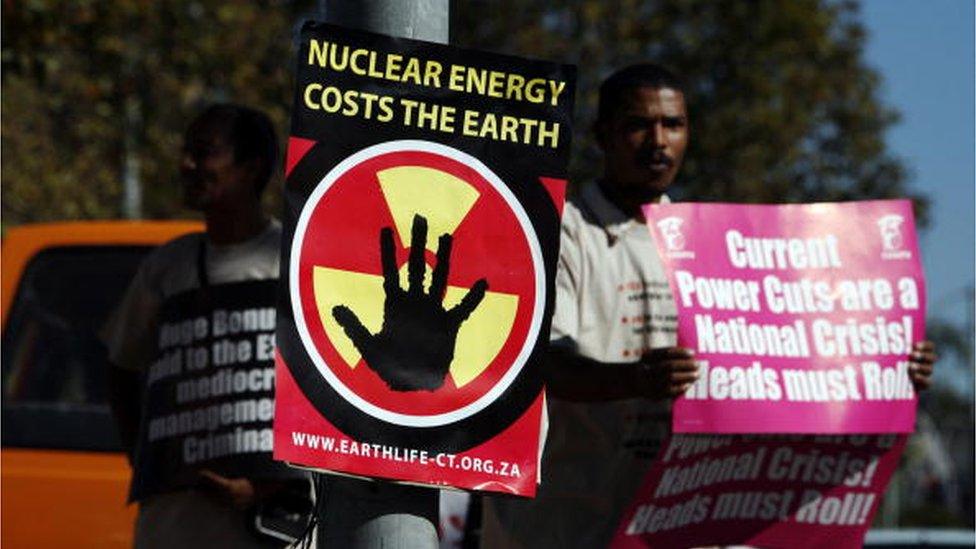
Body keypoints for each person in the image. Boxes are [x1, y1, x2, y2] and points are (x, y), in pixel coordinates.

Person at [481, 63, 938, 548]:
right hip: (561, 529)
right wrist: (635, 380)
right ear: (602, 135)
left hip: (666, 531)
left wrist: (887, 365)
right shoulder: (562, 232)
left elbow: (792, 364)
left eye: (673, 125)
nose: (658, 141)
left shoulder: (707, 246)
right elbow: (541, 363)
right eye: (639, 125)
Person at [104, 103, 304, 548]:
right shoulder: (165, 269)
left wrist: (265, 487)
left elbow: (325, 398)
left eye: (203, 152)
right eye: (186, 151)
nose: (186, 165)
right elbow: (120, 369)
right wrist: (152, 460)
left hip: (266, 530)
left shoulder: (292, 264)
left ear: (250, 168)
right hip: (173, 527)